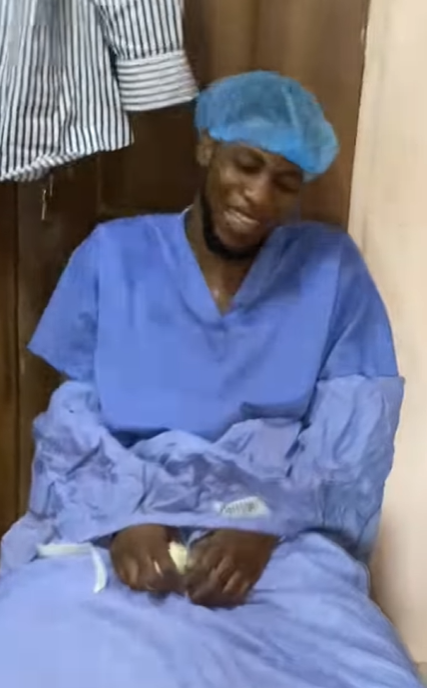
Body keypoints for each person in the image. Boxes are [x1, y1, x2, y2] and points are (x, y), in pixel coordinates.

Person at [0, 71, 421, 688]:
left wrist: (264, 526)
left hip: (280, 538)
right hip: (114, 516)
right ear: (206, 148)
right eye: (245, 165)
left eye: (285, 182)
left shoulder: (332, 271)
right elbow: (71, 417)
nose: (259, 195)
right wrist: (126, 515)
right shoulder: (114, 255)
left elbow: (355, 443)